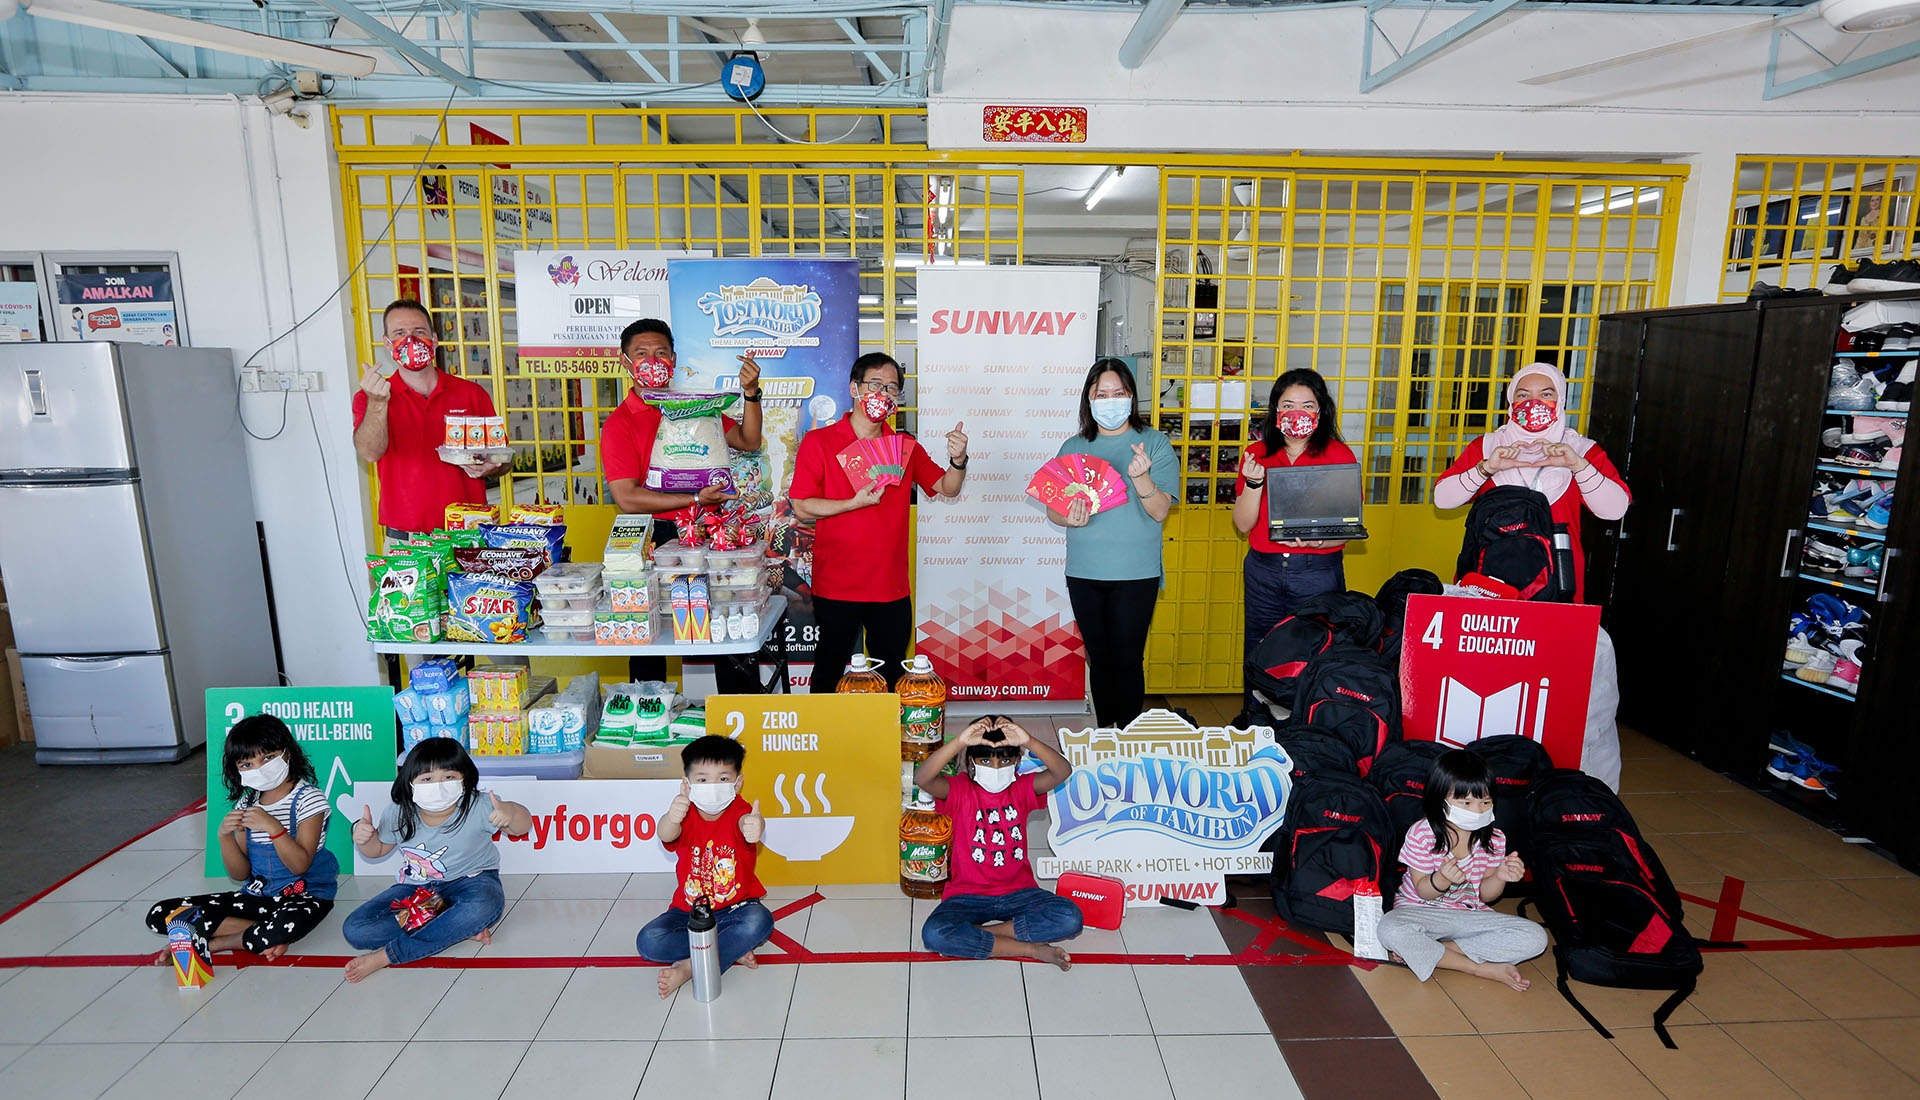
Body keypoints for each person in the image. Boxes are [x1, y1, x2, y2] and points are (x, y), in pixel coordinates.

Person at [601, 318, 764, 690]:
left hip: (710, 533)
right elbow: (626, 498)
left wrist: (751, 393)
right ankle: (647, 713)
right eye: (641, 354)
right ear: (625, 361)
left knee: (726, 621)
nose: (652, 360)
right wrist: (693, 499)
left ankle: (740, 715)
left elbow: (747, 440)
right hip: (655, 537)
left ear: (674, 358)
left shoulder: (692, 407)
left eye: (660, 353)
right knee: (650, 633)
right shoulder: (620, 423)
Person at [791, 352, 968, 690]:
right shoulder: (819, 442)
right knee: (829, 669)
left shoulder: (904, 447)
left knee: (890, 677)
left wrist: (958, 461)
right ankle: (825, 739)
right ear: (854, 389)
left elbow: (946, 487)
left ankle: (885, 741)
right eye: (875, 384)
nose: (883, 394)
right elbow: (801, 507)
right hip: (837, 584)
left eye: (891, 388)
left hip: (890, 587)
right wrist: (851, 504)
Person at [1048, 358, 1177, 728]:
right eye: (1101, 394)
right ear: (1089, 399)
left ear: (1131, 396)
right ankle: (1107, 736)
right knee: (1099, 658)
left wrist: (1142, 480)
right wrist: (1067, 516)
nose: (1110, 400)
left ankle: (1129, 738)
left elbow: (1159, 511)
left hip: (1136, 574)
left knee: (1127, 658)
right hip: (1085, 573)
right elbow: (1054, 511)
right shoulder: (1074, 446)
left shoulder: (1154, 443)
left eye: (1117, 393)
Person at [1432, 361, 1629, 603]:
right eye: (1523, 395)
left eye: (1546, 394)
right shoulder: (1487, 446)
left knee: (1554, 639)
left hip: (1558, 580)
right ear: (1510, 402)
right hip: (1487, 581)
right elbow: (1443, 500)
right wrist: (1488, 468)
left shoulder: (1581, 450)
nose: (1533, 403)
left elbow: (1614, 509)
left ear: (1561, 399)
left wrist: (1577, 465)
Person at [144, 715, 336, 960]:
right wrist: (224, 836)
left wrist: (274, 829)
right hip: (257, 898)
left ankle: (213, 943)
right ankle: (260, 935)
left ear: (287, 754)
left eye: (267, 758)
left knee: (285, 925)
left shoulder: (309, 799)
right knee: (161, 914)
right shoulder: (247, 802)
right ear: (236, 769)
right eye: (247, 764)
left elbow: (300, 864)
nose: (259, 768)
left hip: (305, 895)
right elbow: (241, 874)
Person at [342, 737, 532, 982]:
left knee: (484, 906)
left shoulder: (479, 805)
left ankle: (389, 956)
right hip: (420, 891)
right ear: (410, 782)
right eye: (427, 779)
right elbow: (377, 850)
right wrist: (364, 837)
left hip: (472, 882)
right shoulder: (398, 812)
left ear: (464, 777)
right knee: (356, 930)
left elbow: (522, 826)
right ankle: (453, 926)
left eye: (449, 777)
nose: (439, 785)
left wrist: (511, 812)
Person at [914, 718, 1082, 969]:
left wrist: (1028, 740)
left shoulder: (1023, 788)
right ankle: (1029, 948)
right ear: (971, 763)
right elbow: (922, 778)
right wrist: (961, 741)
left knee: (1070, 918)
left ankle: (980, 934)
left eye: (1004, 761)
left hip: (1019, 892)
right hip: (967, 895)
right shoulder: (959, 790)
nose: (995, 768)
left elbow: (1062, 771)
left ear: (1016, 761)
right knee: (934, 934)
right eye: (985, 761)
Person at [1376, 750, 1549, 991]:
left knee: (1535, 938)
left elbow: (1485, 896)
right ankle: (1477, 967)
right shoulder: (1422, 834)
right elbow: (1424, 892)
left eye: (1485, 802)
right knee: (1389, 928)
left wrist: (1500, 876)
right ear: (1440, 800)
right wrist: (1442, 879)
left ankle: (1439, 951)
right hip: (1422, 913)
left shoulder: (1495, 838)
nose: (1477, 810)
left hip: (1468, 914)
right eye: (1465, 802)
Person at [1233, 369, 1358, 678]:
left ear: (1321, 410)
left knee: (1316, 652)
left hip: (1317, 573)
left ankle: (1304, 724)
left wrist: (1320, 541)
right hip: (1265, 572)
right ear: (1276, 411)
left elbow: (1346, 527)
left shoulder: (1339, 455)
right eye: (1288, 405)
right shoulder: (1256, 454)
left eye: (1307, 405)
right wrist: (1253, 483)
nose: (1297, 413)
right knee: (1260, 648)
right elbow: (1243, 524)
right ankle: (1256, 720)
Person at [353, 299, 511, 540]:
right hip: (408, 541)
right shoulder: (371, 397)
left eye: (419, 332)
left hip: (468, 535)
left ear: (434, 339)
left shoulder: (471, 394)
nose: (411, 341)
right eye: (400, 333)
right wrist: (378, 403)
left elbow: (503, 458)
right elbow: (370, 453)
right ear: (387, 343)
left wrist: (494, 464)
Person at [635, 735, 773, 998]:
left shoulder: (739, 811)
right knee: (648, 941)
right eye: (702, 779)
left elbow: (749, 824)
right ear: (687, 784)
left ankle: (691, 967)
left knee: (761, 921)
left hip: (737, 909)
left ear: (738, 782)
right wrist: (671, 817)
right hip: (689, 913)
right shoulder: (684, 813)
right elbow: (666, 834)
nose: (713, 786)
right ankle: (728, 949)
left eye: (723, 779)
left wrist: (756, 827)